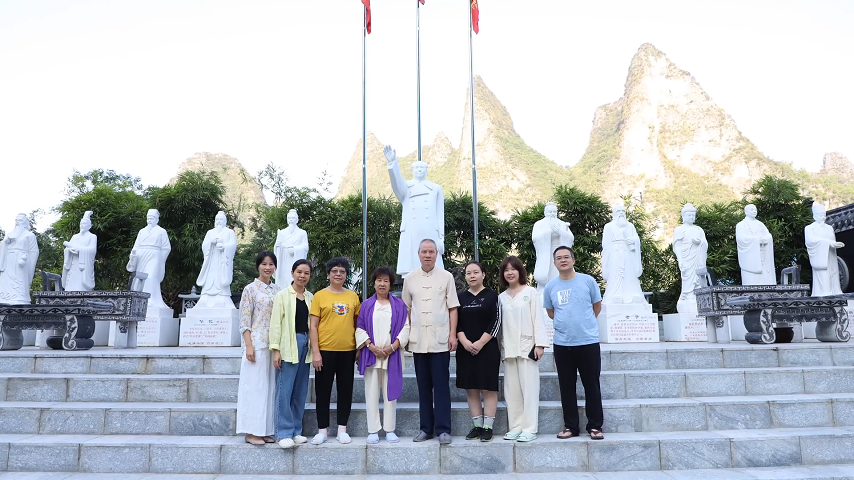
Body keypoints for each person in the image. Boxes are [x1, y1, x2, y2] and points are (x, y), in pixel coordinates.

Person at [544, 246, 604, 440]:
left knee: (591, 385)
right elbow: (551, 312)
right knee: (566, 386)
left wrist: (584, 324)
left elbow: (596, 306)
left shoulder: (588, 281)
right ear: (555, 263)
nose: (563, 260)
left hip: (588, 341)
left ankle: (595, 426)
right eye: (559, 258)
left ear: (573, 260)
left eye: (566, 257)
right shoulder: (551, 287)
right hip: (562, 344)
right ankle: (571, 426)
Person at [402, 239, 459, 444]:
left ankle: (443, 429)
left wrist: (452, 334)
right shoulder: (410, 278)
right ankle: (426, 428)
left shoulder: (447, 277)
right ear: (418, 254)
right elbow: (406, 309)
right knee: (423, 387)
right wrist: (407, 335)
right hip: (418, 341)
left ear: (436, 254)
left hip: (440, 340)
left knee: (441, 386)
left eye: (431, 251)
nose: (427, 255)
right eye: (424, 251)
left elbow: (453, 308)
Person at [356, 266, 411, 444]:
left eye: (385, 281)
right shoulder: (366, 305)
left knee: (390, 394)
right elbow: (359, 328)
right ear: (374, 283)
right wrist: (371, 346)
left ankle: (389, 429)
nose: (382, 284)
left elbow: (406, 328)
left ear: (390, 284)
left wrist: (392, 347)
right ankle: (373, 430)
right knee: (371, 393)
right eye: (379, 280)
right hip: (371, 355)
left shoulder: (399, 305)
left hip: (391, 355)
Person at [309, 257, 361, 445]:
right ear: (329, 274)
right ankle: (322, 430)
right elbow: (313, 326)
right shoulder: (319, 296)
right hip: (325, 351)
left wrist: (358, 348)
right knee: (323, 391)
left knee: (345, 390)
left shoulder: (353, 297)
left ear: (346, 275)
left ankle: (342, 429)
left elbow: (358, 324)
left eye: (342, 271)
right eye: (334, 271)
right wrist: (316, 352)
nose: (338, 274)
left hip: (347, 351)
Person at [498, 256, 547, 443]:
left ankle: (529, 428)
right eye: (506, 270)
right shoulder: (501, 297)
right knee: (512, 392)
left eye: (513, 269)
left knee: (529, 389)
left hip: (528, 348)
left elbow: (538, 319)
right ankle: (516, 427)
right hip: (508, 349)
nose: (510, 273)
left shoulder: (531, 292)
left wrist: (539, 344)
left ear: (520, 271)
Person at [236, 251, 281, 445]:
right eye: (264, 264)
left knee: (269, 388)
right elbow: (244, 320)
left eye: (271, 264)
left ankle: (264, 430)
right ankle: (250, 431)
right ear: (258, 266)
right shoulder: (250, 289)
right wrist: (249, 345)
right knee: (254, 388)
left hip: (273, 344)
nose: (268, 267)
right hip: (257, 344)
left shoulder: (277, 289)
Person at [269, 259, 314, 449]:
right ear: (292, 273)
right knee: (285, 390)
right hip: (289, 343)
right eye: (299, 272)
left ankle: (296, 430)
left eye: (306, 273)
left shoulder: (311, 297)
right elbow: (275, 324)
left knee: (300, 390)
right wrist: (276, 350)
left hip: (306, 344)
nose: (302, 276)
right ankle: (284, 432)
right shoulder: (282, 295)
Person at [455, 261, 501, 442]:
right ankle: (477, 426)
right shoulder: (460, 297)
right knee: (471, 388)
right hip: (465, 349)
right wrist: (465, 342)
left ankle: (488, 427)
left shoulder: (492, 295)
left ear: (483, 274)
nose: (472, 276)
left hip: (487, 349)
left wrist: (480, 343)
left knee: (488, 388)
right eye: (468, 273)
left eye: (476, 272)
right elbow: (456, 323)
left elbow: (496, 321)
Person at [384, 145, 446, 277]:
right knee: (411, 269)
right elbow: (396, 183)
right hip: (411, 231)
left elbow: (440, 215)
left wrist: (441, 237)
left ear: (426, 170)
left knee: (433, 268)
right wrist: (392, 163)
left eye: (422, 168)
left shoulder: (435, 188)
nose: (419, 170)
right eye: (416, 168)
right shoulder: (406, 187)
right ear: (412, 170)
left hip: (429, 231)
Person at [126, 209, 172, 311]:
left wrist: (160, 260)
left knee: (151, 277)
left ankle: (150, 299)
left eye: (152, 218)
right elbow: (136, 246)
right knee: (139, 278)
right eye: (148, 218)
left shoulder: (161, 231)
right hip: (141, 256)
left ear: (157, 219)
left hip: (154, 256)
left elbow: (166, 248)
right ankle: (137, 299)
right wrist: (133, 254)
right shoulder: (142, 231)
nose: (149, 220)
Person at [601, 202, 644, 304]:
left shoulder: (630, 226)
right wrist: (606, 259)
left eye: (623, 211)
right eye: (618, 211)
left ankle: (633, 294)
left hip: (628, 253)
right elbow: (606, 244)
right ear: (614, 214)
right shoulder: (609, 226)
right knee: (616, 273)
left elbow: (636, 238)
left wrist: (633, 240)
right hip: (615, 253)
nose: (621, 213)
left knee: (629, 272)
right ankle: (615, 294)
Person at [196, 211, 238, 307]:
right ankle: (205, 296)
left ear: (225, 221)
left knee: (221, 277)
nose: (219, 221)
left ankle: (222, 295)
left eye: (221, 219)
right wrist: (211, 243)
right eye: (217, 219)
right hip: (211, 260)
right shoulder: (210, 232)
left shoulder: (229, 232)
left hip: (223, 260)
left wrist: (224, 246)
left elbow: (233, 245)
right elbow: (204, 245)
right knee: (210, 277)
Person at [672, 204, 708, 313]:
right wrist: (680, 260)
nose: (692, 217)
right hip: (687, 258)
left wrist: (700, 242)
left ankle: (699, 294)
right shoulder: (679, 230)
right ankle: (688, 295)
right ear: (683, 216)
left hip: (698, 258)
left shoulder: (699, 229)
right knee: (688, 276)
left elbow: (705, 243)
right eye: (689, 215)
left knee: (699, 277)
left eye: (693, 215)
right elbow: (677, 246)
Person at [532, 202, 574, 295]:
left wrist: (560, 232)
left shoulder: (562, 224)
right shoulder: (539, 224)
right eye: (550, 212)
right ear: (545, 212)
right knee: (547, 274)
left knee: (558, 272)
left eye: (554, 212)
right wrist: (549, 232)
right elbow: (535, 238)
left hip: (559, 252)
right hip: (546, 253)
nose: (552, 214)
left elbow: (571, 238)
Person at [805, 203, 845, 296]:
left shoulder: (829, 228)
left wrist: (834, 244)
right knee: (823, 274)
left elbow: (832, 240)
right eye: (820, 215)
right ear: (814, 216)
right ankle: (824, 292)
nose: (823, 217)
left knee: (833, 272)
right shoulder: (809, 228)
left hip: (831, 255)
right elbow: (811, 241)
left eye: (824, 215)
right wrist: (829, 243)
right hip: (821, 257)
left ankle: (835, 290)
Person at [0, 213, 39, 304]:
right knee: (7, 279)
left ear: (25, 223)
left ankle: (20, 298)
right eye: (16, 220)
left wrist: (27, 259)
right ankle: (4, 297)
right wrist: (5, 242)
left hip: (21, 261)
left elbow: (34, 251)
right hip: (9, 259)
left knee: (20, 279)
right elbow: (2, 245)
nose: (18, 222)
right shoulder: (9, 234)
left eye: (20, 220)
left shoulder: (30, 235)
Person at [736, 204, 776, 285]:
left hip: (763, 254)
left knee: (765, 280)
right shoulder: (741, 225)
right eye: (752, 210)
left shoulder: (760, 224)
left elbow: (768, 236)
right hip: (751, 257)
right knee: (752, 281)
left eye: (755, 210)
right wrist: (757, 240)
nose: (754, 211)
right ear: (746, 211)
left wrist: (766, 239)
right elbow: (741, 239)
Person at [62, 211, 97, 291]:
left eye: (84, 224)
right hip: (73, 262)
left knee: (80, 285)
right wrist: (69, 250)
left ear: (89, 226)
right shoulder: (75, 237)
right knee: (71, 283)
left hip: (83, 264)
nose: (82, 225)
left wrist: (80, 250)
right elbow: (67, 248)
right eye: (81, 224)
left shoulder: (92, 236)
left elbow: (92, 250)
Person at [273, 209, 309, 287]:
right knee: (282, 282)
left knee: (293, 278)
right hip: (283, 260)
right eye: (289, 218)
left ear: (297, 220)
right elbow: (277, 247)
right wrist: (277, 246)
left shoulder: (302, 233)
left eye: (293, 218)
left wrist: (295, 249)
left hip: (295, 259)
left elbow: (305, 247)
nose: (291, 220)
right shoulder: (282, 232)